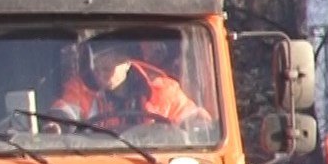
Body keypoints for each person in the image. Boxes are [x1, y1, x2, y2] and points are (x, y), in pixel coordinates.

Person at [51, 37, 210, 128]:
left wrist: (197, 122)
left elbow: (188, 114)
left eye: (107, 70)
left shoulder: (161, 90)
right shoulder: (81, 88)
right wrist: (58, 122)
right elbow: (66, 112)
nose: (100, 75)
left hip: (150, 161)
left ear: (126, 64)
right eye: (97, 69)